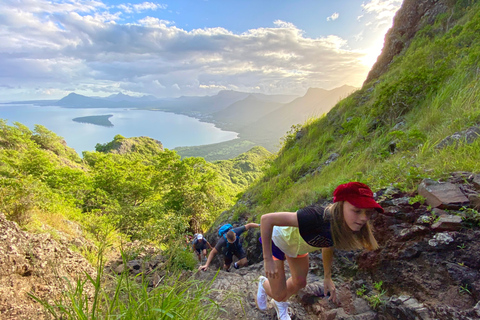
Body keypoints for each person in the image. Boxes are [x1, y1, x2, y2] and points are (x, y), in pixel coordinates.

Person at [255, 182, 383, 320]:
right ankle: (264, 284)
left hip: (298, 246)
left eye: (368, 213)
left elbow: (328, 245)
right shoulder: (314, 216)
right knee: (279, 293)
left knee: (300, 282)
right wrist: (267, 259)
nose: (364, 218)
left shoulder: (344, 227)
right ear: (340, 206)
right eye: (357, 211)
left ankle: (278, 303)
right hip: (277, 241)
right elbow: (266, 219)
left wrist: (327, 277)